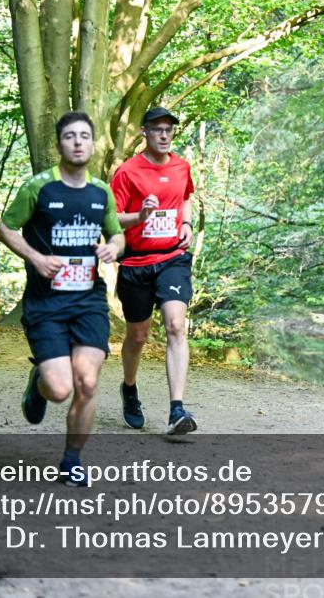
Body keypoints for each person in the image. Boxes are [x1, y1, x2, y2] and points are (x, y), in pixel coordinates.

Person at [0, 111, 124, 486]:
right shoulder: (39, 188)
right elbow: (5, 228)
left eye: (85, 135)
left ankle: (71, 460)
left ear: (93, 143)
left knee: (87, 382)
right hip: (46, 303)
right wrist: (36, 258)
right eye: (70, 136)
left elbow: (117, 233)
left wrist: (113, 249)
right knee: (59, 388)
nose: (78, 142)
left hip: (88, 301)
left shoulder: (101, 192)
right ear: (59, 144)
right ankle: (39, 379)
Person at [111, 106, 197, 435]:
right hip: (136, 262)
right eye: (157, 129)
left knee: (176, 326)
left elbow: (186, 197)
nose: (164, 135)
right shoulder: (127, 172)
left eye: (169, 129)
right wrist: (139, 218)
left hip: (172, 258)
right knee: (137, 336)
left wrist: (186, 222)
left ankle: (177, 410)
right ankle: (129, 389)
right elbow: (112, 217)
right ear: (144, 132)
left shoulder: (181, 166)